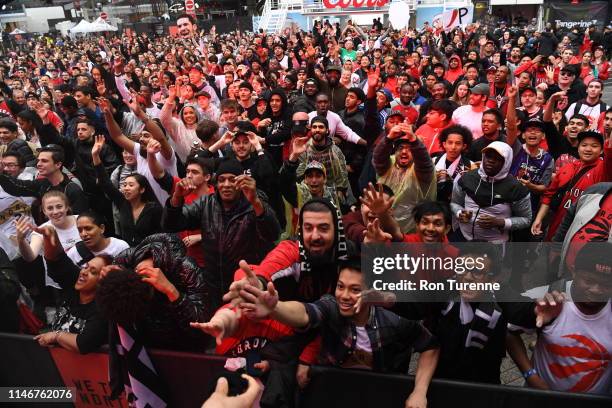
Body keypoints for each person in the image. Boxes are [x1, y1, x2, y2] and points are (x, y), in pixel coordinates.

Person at [238, 259, 440, 408]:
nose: (344, 296)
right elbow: (306, 313)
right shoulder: (332, 307)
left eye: (354, 290)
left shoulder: (394, 320)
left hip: (378, 395)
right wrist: (275, 309)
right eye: (340, 287)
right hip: (333, 392)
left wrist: (419, 392)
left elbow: (430, 345)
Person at [162, 158, 280, 303]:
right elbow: (171, 225)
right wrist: (177, 197)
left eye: (232, 180)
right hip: (213, 287)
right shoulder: (206, 203)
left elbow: (273, 234)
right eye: (222, 180)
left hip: (246, 285)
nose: (226, 185)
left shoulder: (253, 203)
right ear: (216, 183)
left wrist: (255, 202)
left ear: (241, 182)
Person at [32, 225, 108, 354]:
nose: (84, 272)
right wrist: (50, 235)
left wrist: (57, 336)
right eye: (86, 267)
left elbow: (83, 344)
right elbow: (56, 260)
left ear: (102, 282)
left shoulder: (103, 309)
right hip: (56, 363)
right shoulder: (73, 285)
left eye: (93, 272)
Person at [532, 131, 612, 241]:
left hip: (581, 230)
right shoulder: (567, 167)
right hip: (556, 224)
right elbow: (548, 195)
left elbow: (610, 154)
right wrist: (539, 219)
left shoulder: (603, 170)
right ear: (578, 148)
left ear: (602, 150)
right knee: (549, 254)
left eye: (594, 146)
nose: (588, 149)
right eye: (584, 145)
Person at [451, 141, 532, 242]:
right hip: (464, 238)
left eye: (497, 158)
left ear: (506, 162)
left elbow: (526, 219)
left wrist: (501, 222)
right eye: (488, 156)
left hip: (495, 246)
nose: (491, 161)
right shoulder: (467, 178)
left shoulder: (516, 188)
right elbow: (454, 203)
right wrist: (459, 213)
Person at [91, 135, 162, 247]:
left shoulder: (154, 209)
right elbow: (106, 183)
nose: (126, 188)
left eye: (131, 185)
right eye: (124, 185)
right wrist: (95, 155)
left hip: (151, 254)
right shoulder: (122, 203)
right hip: (129, 254)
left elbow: (163, 235)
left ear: (142, 189)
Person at [372, 114, 436, 233]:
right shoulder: (389, 163)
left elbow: (424, 163)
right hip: (383, 226)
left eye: (410, 148)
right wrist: (388, 138)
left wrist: (414, 139)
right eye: (401, 148)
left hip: (411, 232)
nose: (404, 152)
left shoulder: (421, 170)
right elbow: (378, 158)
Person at [0, 144, 89, 214]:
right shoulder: (43, 184)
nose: (38, 164)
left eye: (44, 161)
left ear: (58, 164)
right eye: (38, 160)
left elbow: (80, 219)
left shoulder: (72, 189)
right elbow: (16, 187)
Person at [431, 125, 474, 204]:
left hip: (458, 206)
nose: (453, 147)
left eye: (458, 143)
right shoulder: (433, 161)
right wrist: (433, 179)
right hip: (435, 204)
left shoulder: (471, 166)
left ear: (464, 146)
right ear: (444, 144)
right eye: (450, 143)